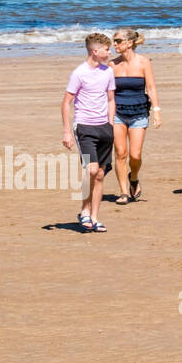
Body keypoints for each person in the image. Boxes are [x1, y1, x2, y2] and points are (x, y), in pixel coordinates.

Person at [62, 33, 116, 232]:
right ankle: (84, 210)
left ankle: (94, 217)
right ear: (95, 51)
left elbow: (111, 99)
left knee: (100, 175)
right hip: (84, 127)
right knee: (91, 171)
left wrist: (110, 123)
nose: (110, 52)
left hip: (104, 128)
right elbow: (66, 103)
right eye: (107, 49)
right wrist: (67, 131)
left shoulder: (108, 72)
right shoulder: (79, 73)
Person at [110, 27, 160, 205]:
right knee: (120, 153)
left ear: (129, 43)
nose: (114, 44)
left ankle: (134, 177)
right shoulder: (112, 65)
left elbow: (151, 88)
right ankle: (123, 192)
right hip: (118, 113)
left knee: (135, 155)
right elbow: (107, 92)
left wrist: (157, 111)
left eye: (118, 41)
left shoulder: (144, 62)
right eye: (114, 41)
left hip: (139, 112)